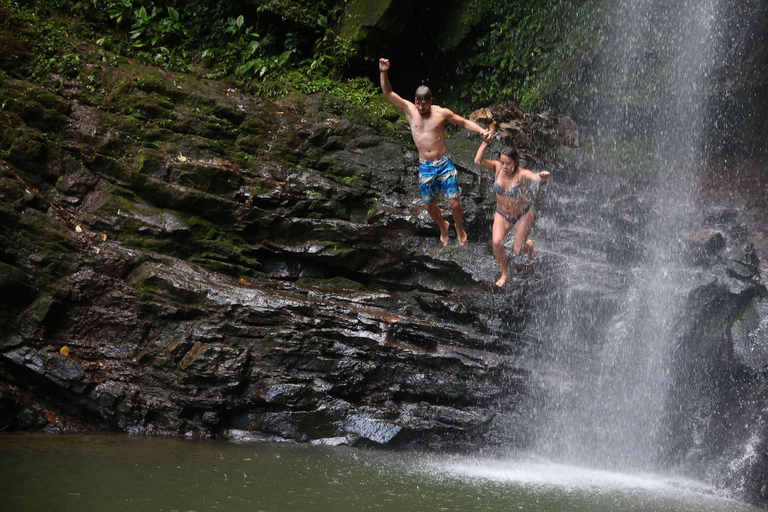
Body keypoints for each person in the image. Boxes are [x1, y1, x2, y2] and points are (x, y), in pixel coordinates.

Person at [379, 58, 489, 246]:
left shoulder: (441, 113)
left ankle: (459, 226)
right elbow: (388, 93)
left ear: (431, 101)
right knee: (429, 205)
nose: (420, 107)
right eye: (418, 103)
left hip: (444, 163)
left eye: (424, 103)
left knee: (454, 203)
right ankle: (443, 226)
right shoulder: (409, 110)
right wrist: (383, 72)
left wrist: (480, 130)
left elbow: (462, 122)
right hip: (425, 167)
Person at [474, 132, 549, 287]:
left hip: (522, 214)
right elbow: (478, 160)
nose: (504, 167)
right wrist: (485, 142)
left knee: (517, 252)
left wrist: (541, 176)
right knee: (496, 242)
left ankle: (529, 245)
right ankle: (504, 273)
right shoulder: (497, 168)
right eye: (502, 163)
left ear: (515, 162)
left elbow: (534, 177)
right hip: (502, 214)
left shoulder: (521, 174)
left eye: (508, 163)